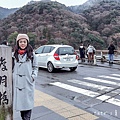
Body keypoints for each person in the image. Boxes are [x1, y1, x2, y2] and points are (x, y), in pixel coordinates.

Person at [12, 34, 38, 120]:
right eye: (20, 42)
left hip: (27, 83)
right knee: (21, 108)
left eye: (24, 41)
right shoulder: (14, 55)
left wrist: (33, 77)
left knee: (27, 106)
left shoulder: (32, 55)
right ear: (18, 43)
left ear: (27, 43)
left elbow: (35, 67)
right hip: (17, 84)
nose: (22, 43)